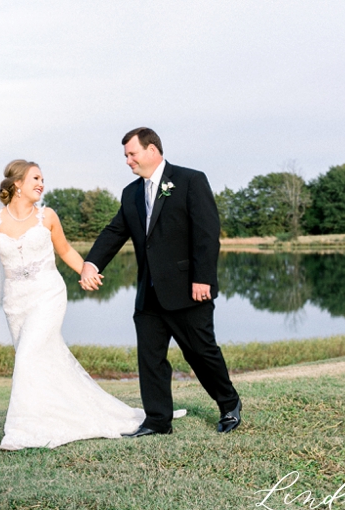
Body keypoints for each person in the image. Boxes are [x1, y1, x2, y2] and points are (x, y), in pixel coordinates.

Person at [0, 159, 184, 451]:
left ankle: (20, 430)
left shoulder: (47, 216)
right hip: (15, 301)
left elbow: (65, 250)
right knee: (41, 360)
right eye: (35, 178)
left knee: (27, 355)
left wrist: (87, 270)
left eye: (42, 179)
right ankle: (48, 416)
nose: (41, 184)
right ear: (17, 185)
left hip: (47, 294)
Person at [80, 127, 242, 437]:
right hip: (149, 293)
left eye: (132, 154)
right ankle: (157, 420)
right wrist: (91, 262)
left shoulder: (190, 180)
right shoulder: (130, 193)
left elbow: (207, 233)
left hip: (189, 289)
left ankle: (229, 402)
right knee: (150, 358)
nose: (128, 161)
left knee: (201, 352)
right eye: (126, 156)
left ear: (152, 150)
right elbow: (115, 232)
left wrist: (203, 278)